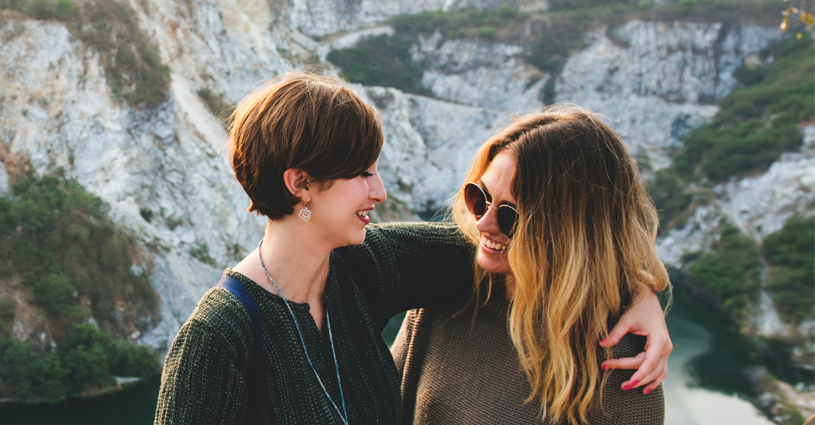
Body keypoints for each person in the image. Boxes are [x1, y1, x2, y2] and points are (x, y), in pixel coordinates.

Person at [154, 72, 671, 424]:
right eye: (362, 173)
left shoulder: (365, 270)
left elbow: (548, 248)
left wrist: (639, 290)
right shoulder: (217, 338)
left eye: (375, 170)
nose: (379, 191)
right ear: (301, 184)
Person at [392, 107, 671, 425]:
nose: (483, 223)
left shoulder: (621, 362)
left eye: (510, 215)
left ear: (569, 233)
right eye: (479, 197)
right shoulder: (451, 288)